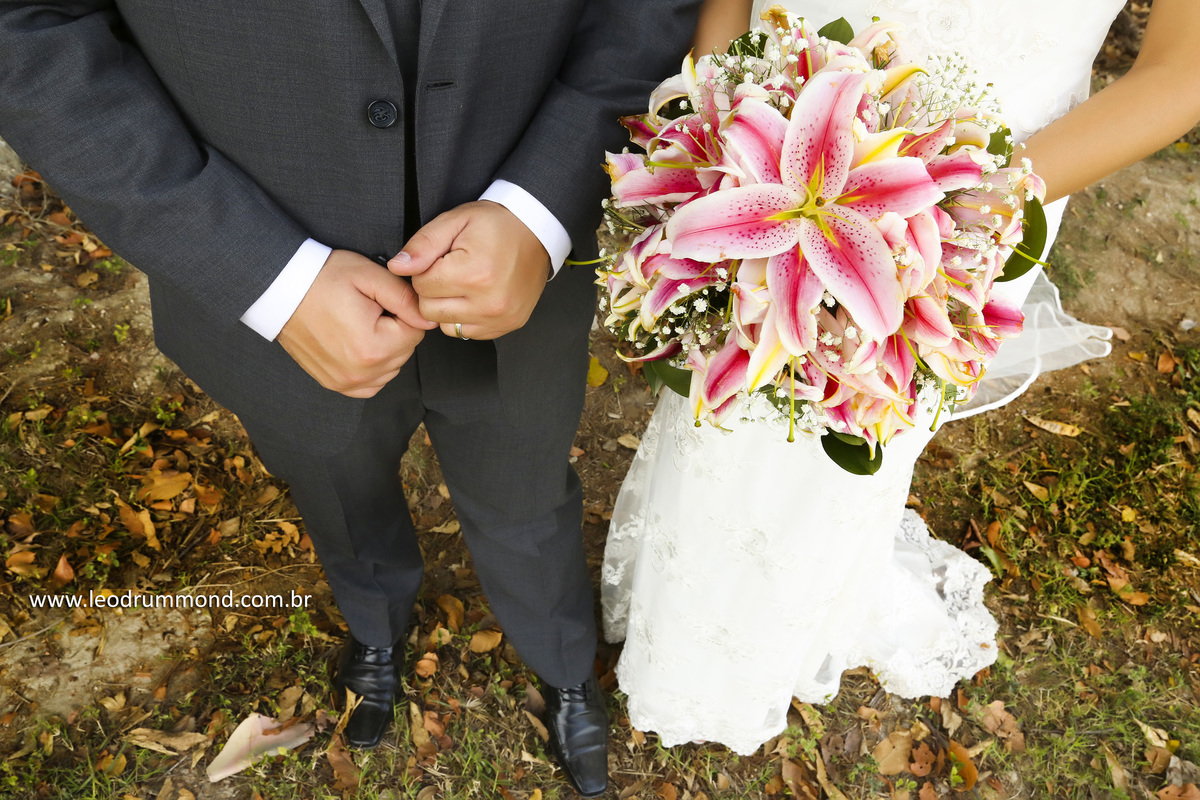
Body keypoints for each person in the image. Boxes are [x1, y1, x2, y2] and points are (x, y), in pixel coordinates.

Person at [0, 1, 704, 795]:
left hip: (520, 277)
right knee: (336, 489)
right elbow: (26, 27)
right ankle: (376, 625)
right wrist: (268, 276)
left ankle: (562, 660)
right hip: (269, 269)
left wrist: (540, 207)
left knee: (526, 492)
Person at [602, 0, 1200, 755]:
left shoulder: (984, 201)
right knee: (727, 388)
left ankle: (759, 647)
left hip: (990, 188)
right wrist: (716, 100)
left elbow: (1184, 69)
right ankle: (678, 604)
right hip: (782, 105)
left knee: (856, 417)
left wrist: (986, 201)